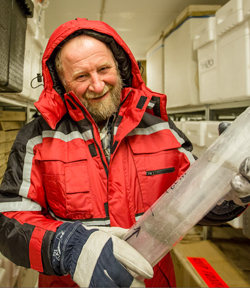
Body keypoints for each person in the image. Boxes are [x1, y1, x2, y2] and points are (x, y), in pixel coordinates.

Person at [0, 18, 249, 288]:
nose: (97, 85)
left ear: (120, 66)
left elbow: (195, 201)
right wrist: (68, 245)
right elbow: (10, 221)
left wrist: (228, 194)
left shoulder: (161, 130)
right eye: (81, 76)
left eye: (104, 69)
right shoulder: (36, 138)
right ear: (60, 83)